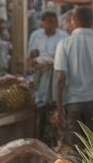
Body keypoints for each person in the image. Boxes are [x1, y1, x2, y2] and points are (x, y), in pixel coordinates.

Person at [54, 6, 93, 144]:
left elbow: (60, 80)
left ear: (73, 21)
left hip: (73, 103)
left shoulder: (64, 44)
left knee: (75, 152)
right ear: (91, 21)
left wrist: (59, 108)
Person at [28, 12, 67, 140]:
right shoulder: (35, 35)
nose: (51, 25)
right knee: (40, 109)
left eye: (53, 22)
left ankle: (54, 140)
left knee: (54, 107)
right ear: (43, 23)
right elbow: (31, 56)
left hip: (55, 77)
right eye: (48, 22)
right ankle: (38, 139)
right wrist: (33, 58)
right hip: (40, 76)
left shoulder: (64, 37)